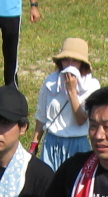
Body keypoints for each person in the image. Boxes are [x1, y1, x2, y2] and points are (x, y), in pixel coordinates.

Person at [34, 37, 101, 171]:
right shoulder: (51, 82)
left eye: (74, 60)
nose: (69, 64)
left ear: (82, 63)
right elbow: (41, 116)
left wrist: (72, 91)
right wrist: (34, 143)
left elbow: (81, 119)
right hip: (52, 142)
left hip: (77, 144)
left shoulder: (92, 86)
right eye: (66, 59)